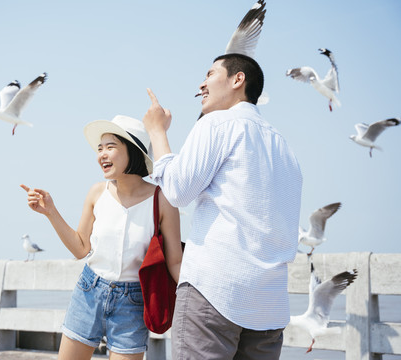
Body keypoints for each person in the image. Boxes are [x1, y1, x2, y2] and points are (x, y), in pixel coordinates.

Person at [142, 53, 303, 360]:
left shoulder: (217, 123)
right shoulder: (284, 145)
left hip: (215, 290)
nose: (201, 84)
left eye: (210, 74)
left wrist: (157, 132)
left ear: (237, 80)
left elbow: (176, 191)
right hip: (269, 302)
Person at [21, 115, 182, 360]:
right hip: (89, 291)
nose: (101, 154)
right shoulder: (97, 193)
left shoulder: (163, 200)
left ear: (134, 151)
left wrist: (202, 297)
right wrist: (50, 212)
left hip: (134, 303)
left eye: (110, 147)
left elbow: (175, 262)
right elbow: (80, 249)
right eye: (99, 148)